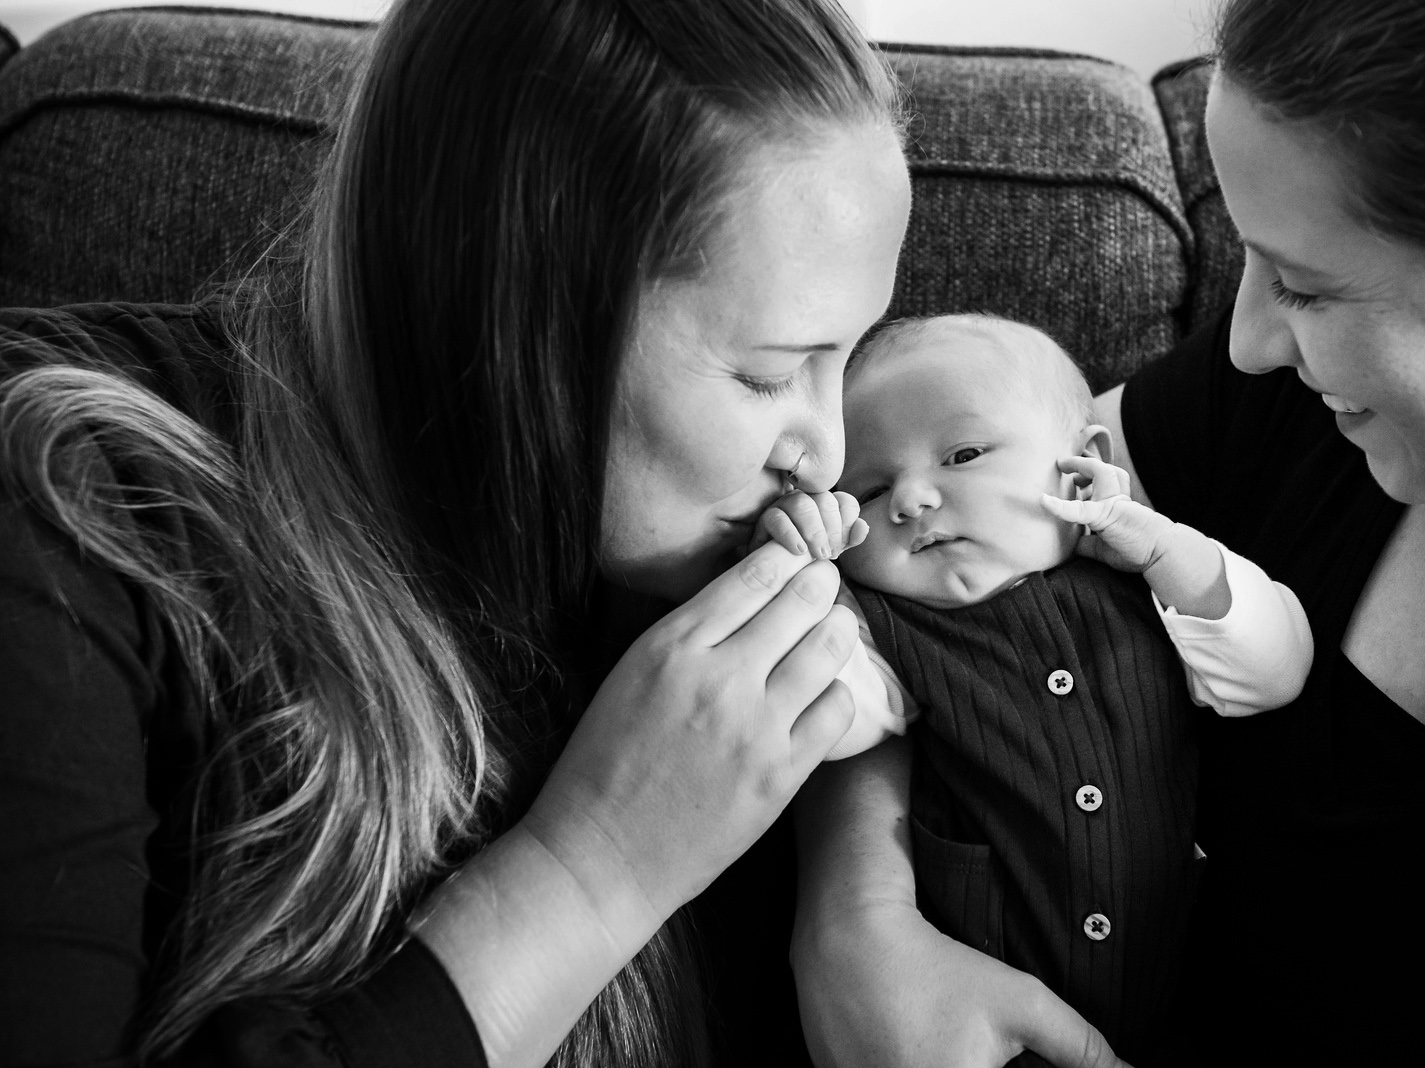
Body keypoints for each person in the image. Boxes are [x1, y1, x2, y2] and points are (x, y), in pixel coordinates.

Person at [0, 1, 920, 1065]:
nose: (826, 447)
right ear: (513, 313)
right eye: (768, 374)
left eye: (846, 359)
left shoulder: (665, 547)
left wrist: (867, 899)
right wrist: (594, 870)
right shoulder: (68, 512)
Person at [790, 1, 1425, 1065]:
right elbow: (932, 590)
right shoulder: (1284, 408)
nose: (1250, 340)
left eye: (1305, 289)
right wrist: (858, 915)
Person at [763, 312, 1309, 1064]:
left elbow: (1273, 673)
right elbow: (818, 719)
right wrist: (806, 573)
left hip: (1191, 999)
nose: (912, 499)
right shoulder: (886, 637)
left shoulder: (1149, 595)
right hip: (984, 1029)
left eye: (962, 454)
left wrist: (1167, 549)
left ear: (1081, 469)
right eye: (871, 486)